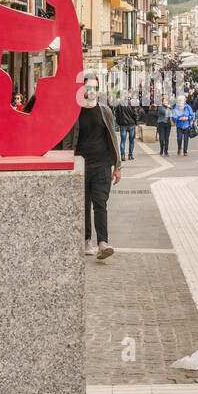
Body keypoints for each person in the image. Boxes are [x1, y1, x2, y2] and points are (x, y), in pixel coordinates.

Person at [61, 74, 121, 260]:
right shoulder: (74, 112)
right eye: (89, 88)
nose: (92, 91)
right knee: (84, 204)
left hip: (102, 164)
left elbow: (113, 138)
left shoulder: (105, 112)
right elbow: (67, 140)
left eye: (95, 88)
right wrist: (66, 163)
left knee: (100, 204)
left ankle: (103, 243)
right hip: (81, 165)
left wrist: (117, 166)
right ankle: (86, 240)